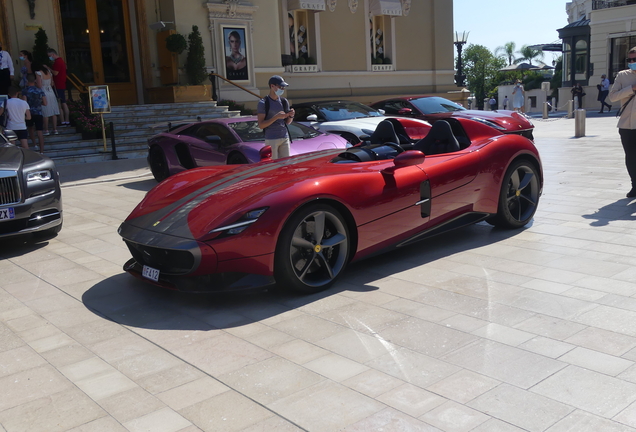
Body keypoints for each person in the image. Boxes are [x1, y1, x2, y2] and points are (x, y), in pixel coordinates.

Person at [610, 47, 636, 197]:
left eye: (635, 59)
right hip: (626, 125)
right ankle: (635, 185)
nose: (632, 62)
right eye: (629, 60)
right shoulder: (622, 76)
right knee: (631, 157)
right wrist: (631, 88)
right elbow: (613, 97)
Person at [257, 75, 295, 159]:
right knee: (274, 166)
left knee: (286, 164)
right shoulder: (264, 103)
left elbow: (288, 122)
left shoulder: (284, 101)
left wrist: (291, 115)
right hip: (271, 138)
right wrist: (276, 117)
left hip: (284, 137)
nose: (282, 89)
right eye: (280, 87)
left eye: (283, 87)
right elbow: (261, 125)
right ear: (272, 86)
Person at [21, 73, 46, 153]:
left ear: (27, 81)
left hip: (29, 113)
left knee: (30, 129)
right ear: (35, 80)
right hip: (38, 112)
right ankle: (42, 150)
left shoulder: (25, 91)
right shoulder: (40, 90)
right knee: (40, 132)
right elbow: (45, 103)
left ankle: (34, 144)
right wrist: (38, 104)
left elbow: (24, 102)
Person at [34, 63, 60, 136]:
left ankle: (46, 129)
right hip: (51, 91)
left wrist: (35, 83)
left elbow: (39, 85)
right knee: (53, 111)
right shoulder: (49, 72)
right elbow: (52, 83)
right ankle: (55, 129)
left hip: (44, 92)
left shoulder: (38, 73)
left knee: (45, 112)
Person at [47, 48, 69, 126]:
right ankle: (67, 120)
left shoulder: (58, 62)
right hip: (61, 84)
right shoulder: (61, 61)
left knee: (59, 103)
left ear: (53, 54)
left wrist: (48, 68)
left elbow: (55, 73)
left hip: (58, 85)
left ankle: (63, 120)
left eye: (50, 56)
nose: (50, 57)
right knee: (63, 102)